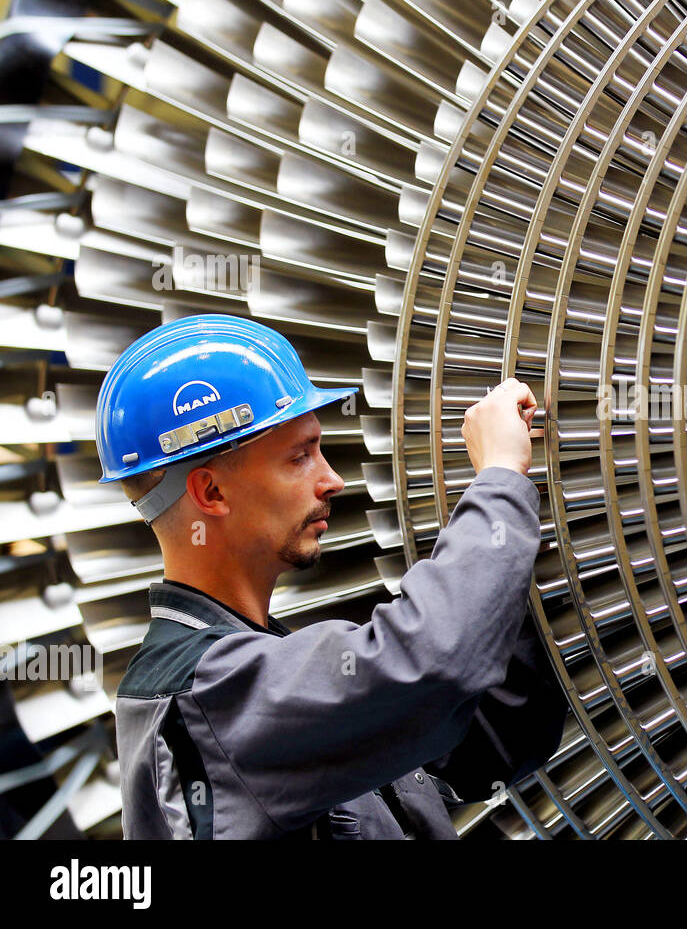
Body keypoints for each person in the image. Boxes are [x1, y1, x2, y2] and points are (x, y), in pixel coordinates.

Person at [99, 314, 567, 838]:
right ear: (211, 494)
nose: (333, 480)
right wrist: (499, 477)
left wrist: (507, 560)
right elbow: (431, 662)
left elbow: (490, 744)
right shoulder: (206, 694)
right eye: (299, 457)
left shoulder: (258, 671)